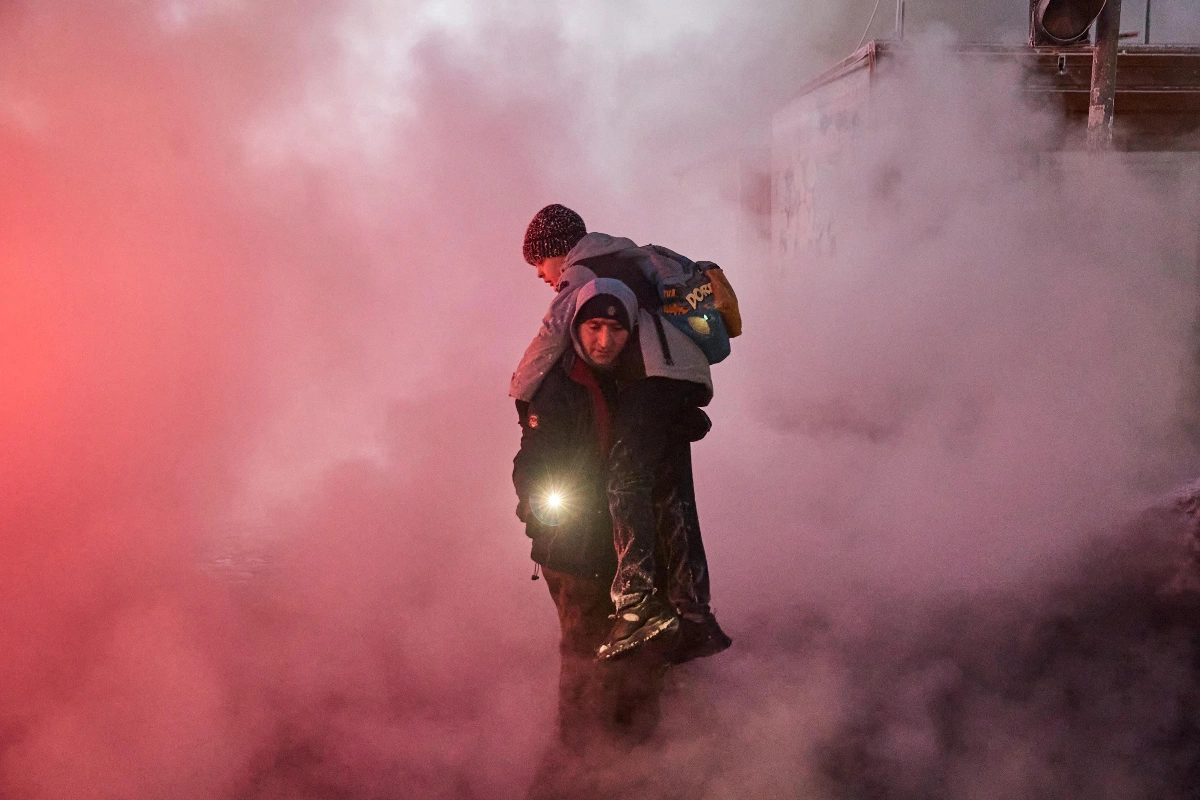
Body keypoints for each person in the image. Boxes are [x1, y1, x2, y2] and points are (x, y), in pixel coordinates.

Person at [512, 204, 731, 663]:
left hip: (654, 376)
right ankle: (695, 615)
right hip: (683, 374)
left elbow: (552, 333)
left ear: (558, 251)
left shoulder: (587, 273)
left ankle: (637, 604)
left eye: (541, 264)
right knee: (670, 493)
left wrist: (521, 391)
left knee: (625, 479)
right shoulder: (629, 259)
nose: (542, 277)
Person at [513, 277, 667, 756]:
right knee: (583, 653)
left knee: (636, 649)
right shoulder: (558, 389)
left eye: (617, 329)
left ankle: (636, 751)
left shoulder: (640, 385)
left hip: (631, 547)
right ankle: (579, 761)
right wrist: (540, 513)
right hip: (575, 552)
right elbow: (530, 463)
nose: (604, 341)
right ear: (577, 326)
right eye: (594, 326)